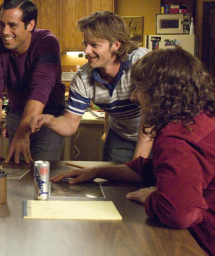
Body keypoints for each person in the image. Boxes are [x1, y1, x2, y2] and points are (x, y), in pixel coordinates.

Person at [51, 48, 215, 256]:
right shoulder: (199, 117)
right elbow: (151, 170)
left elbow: (177, 213)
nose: (133, 96)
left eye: (139, 88)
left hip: (202, 244)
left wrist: (153, 198)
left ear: (161, 93)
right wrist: (97, 172)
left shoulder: (177, 139)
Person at [30, 11, 151, 163]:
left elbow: (152, 116)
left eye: (94, 45)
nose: (86, 51)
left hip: (153, 132)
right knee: (114, 183)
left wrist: (137, 167)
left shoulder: (141, 62)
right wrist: (49, 120)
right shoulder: (83, 78)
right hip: (120, 135)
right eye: (85, 44)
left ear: (116, 45)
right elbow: (70, 123)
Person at [0, 0, 65, 164]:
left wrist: (23, 133)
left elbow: (40, 91)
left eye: (13, 25)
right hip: (17, 113)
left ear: (30, 25)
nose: (5, 31)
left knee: (41, 171)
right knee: (17, 170)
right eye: (2, 24)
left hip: (48, 116)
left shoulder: (47, 42)